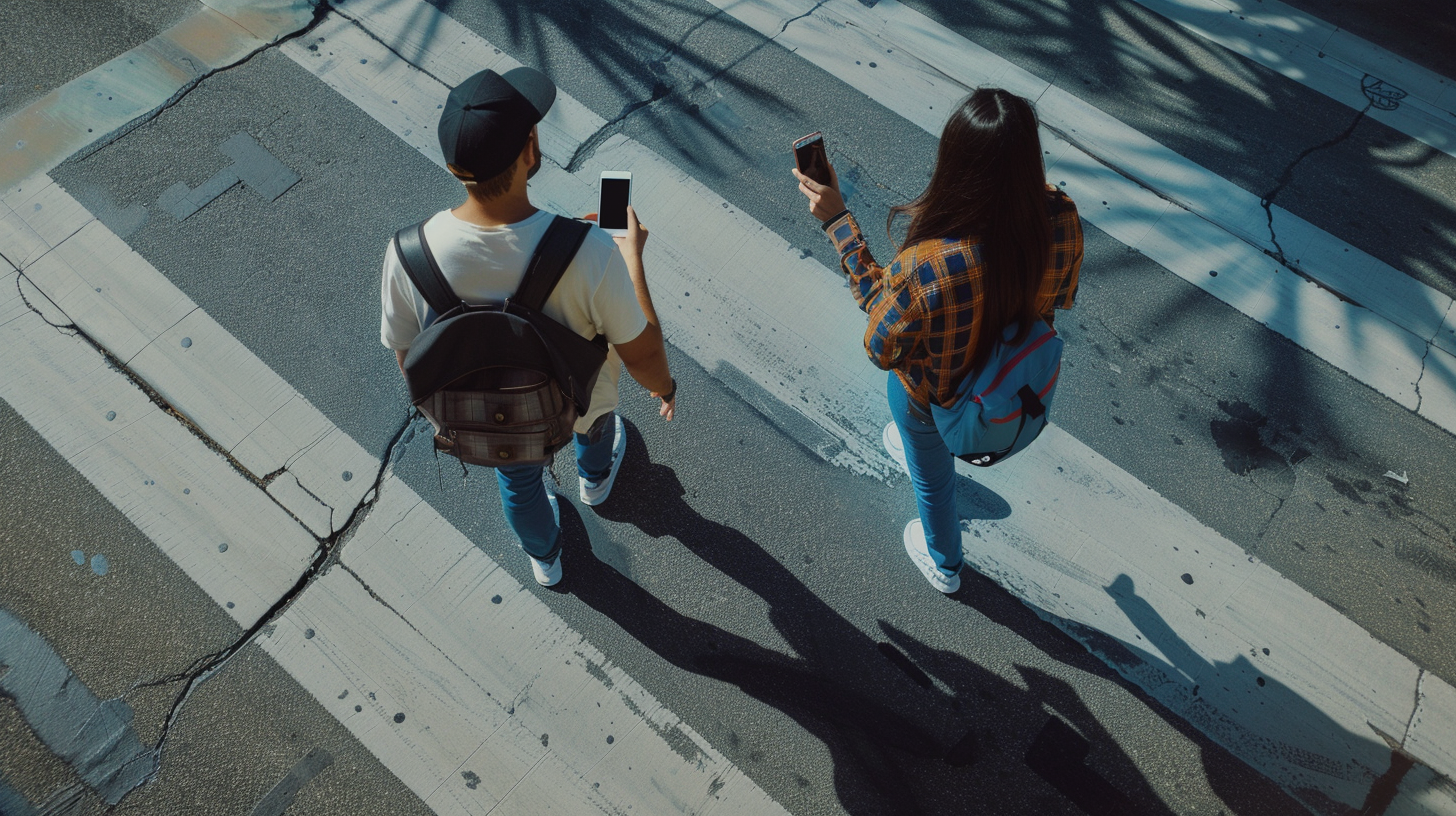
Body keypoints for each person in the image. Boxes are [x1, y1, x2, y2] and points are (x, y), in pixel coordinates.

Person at [380, 67, 676, 587]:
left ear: (453, 166)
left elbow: (408, 357)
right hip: (578, 398)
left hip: (498, 419)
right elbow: (642, 351)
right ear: (530, 150)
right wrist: (631, 256)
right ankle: (596, 481)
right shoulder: (590, 251)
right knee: (596, 424)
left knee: (517, 482)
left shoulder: (407, 253)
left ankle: (546, 558)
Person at [793, 88, 1084, 594]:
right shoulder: (1061, 218)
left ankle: (945, 564)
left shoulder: (928, 265)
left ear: (957, 166)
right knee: (926, 458)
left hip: (933, 397)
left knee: (932, 481)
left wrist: (839, 223)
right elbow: (1061, 299)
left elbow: (881, 346)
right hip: (1001, 380)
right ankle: (932, 504)